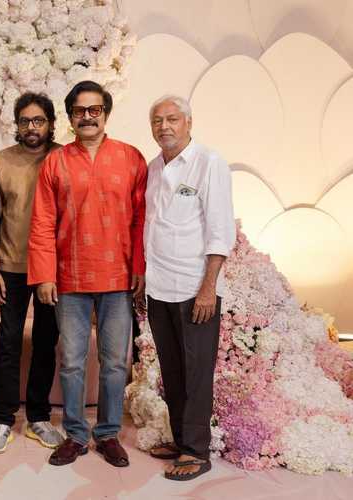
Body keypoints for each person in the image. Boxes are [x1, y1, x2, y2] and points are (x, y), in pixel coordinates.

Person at [27, 81, 147, 467]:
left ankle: (108, 433)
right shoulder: (56, 162)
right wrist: (45, 275)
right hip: (70, 277)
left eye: (95, 110)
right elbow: (43, 221)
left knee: (115, 362)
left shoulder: (131, 158)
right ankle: (76, 435)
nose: (88, 117)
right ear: (70, 117)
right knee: (72, 361)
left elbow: (142, 219)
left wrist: (139, 268)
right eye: (80, 111)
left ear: (105, 114)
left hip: (118, 277)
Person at [144, 95, 236, 481]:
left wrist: (208, 288)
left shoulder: (209, 162)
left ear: (188, 123)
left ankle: (197, 452)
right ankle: (182, 439)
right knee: (173, 370)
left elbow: (220, 230)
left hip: (194, 288)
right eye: (157, 120)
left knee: (197, 372)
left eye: (172, 119)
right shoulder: (153, 168)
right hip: (158, 286)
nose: (164, 126)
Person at [0, 92, 64, 454]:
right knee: (9, 342)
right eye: (25, 121)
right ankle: (1, 419)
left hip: (52, 270)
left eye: (39, 120)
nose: (32, 127)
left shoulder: (64, 157)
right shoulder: (0, 161)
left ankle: (39, 418)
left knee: (46, 342)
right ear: (16, 124)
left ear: (50, 123)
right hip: (11, 267)